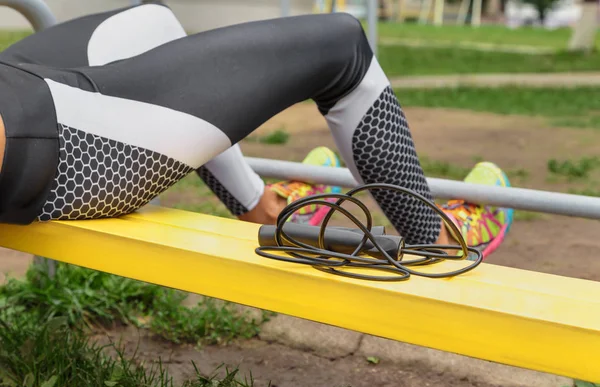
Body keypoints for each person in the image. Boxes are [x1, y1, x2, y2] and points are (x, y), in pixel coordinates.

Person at [0, 2, 513, 260]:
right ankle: (439, 241)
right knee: (342, 46)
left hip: (17, 90)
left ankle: (259, 208)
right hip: (68, 148)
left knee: (150, 21)